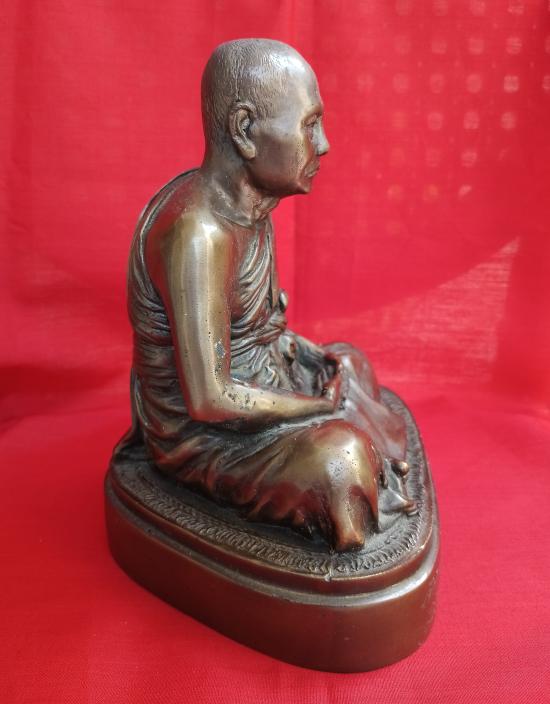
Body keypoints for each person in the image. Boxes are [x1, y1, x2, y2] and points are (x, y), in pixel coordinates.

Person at [113, 38, 415, 552]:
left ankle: (352, 441)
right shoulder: (197, 234)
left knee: (350, 363)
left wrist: (305, 354)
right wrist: (313, 407)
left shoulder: (252, 206)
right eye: (309, 125)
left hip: (261, 384)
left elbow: (255, 334)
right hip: (209, 438)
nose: (323, 145)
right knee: (340, 461)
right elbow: (209, 400)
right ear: (245, 130)